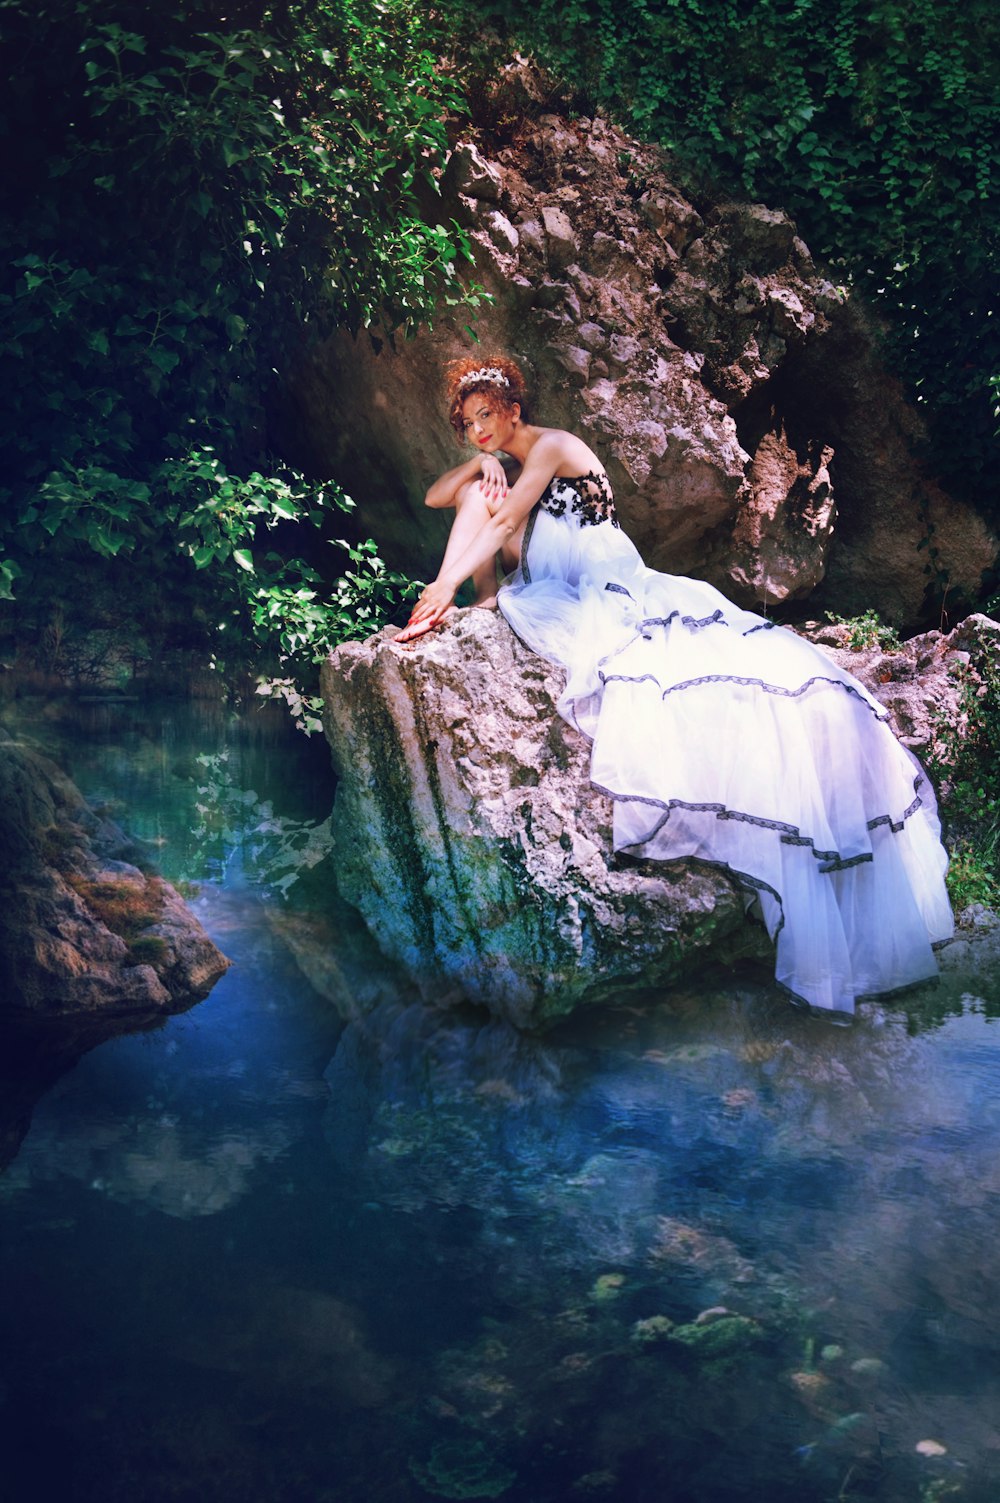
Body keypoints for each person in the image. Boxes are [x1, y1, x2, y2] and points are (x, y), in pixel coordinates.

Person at [395, 354, 955, 1018]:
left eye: (487, 417)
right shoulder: (504, 465)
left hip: (594, 568)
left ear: (513, 409)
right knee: (473, 494)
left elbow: (505, 521)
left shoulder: (548, 446)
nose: (480, 430)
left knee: (673, 654)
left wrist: (441, 583)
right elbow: (443, 497)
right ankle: (481, 600)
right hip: (544, 570)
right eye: (468, 424)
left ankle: (461, 597)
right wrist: (473, 468)